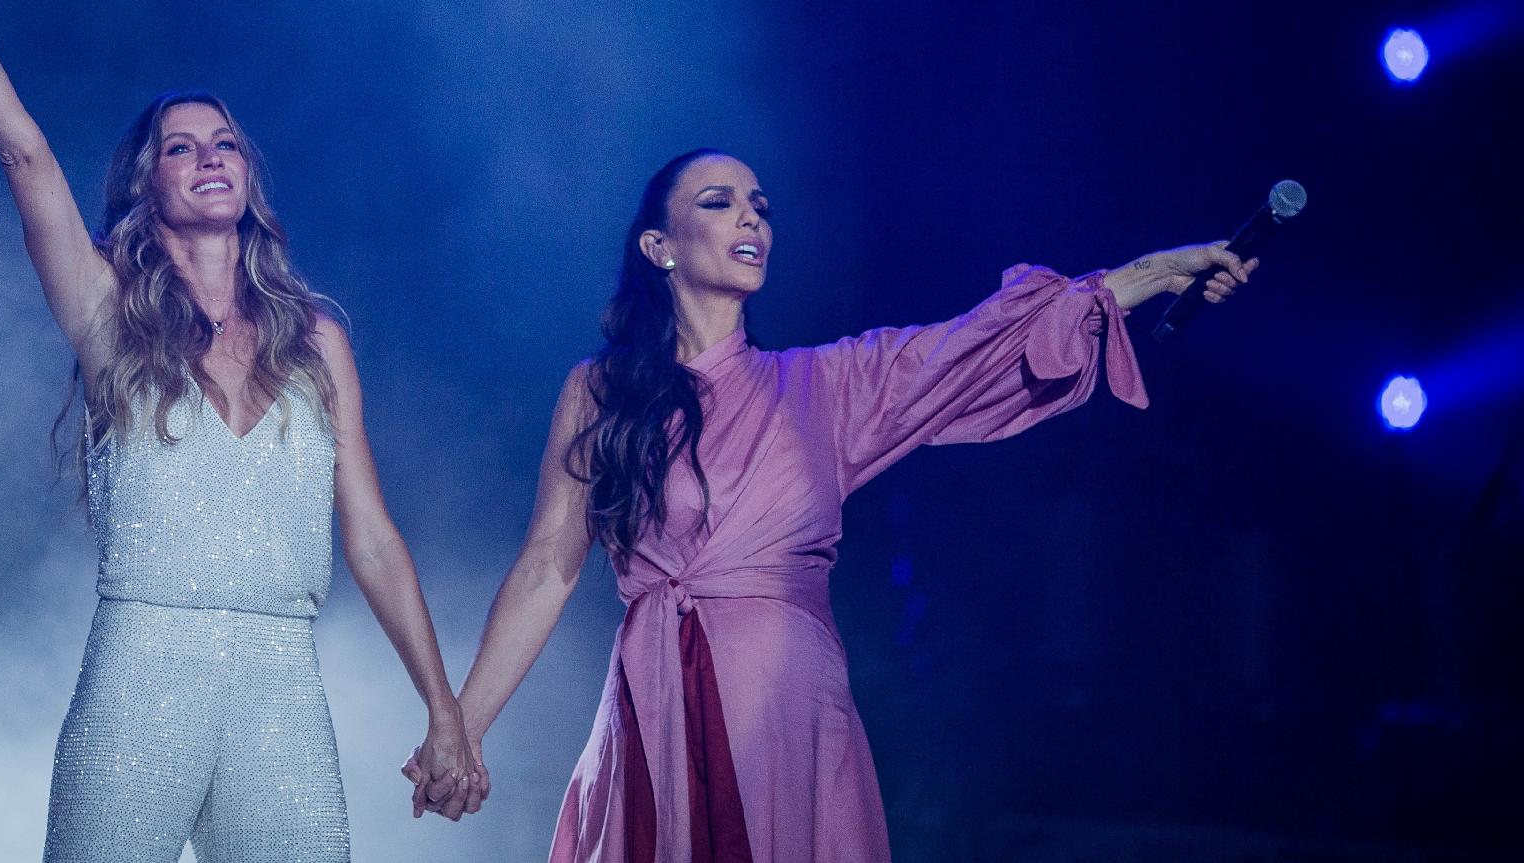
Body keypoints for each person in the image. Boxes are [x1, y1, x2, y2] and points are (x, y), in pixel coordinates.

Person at [419, 148, 1257, 861]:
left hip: (785, 707)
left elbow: (973, 345)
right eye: (719, 203)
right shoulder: (599, 392)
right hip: (652, 704)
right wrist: (461, 723)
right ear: (659, 245)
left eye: (761, 207)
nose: (752, 219)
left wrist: (1153, 272)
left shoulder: (827, 386)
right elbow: (544, 568)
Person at [0, 0, 477, 861]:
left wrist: (443, 707)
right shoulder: (109, 311)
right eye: (180, 147)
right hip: (141, 674)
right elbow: (23, 151)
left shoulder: (319, 340)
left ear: (250, 178)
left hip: (281, 681)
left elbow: (372, 536)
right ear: (146, 184)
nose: (208, 157)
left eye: (225, 143)